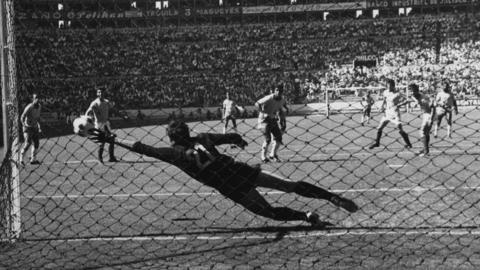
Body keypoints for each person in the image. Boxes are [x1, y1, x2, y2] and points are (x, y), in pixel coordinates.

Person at [88, 120, 359, 226]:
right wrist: (238, 141)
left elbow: (141, 147)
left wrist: (112, 140)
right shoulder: (203, 137)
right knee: (289, 185)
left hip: (230, 186)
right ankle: (331, 198)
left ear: (173, 139)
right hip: (240, 170)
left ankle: (307, 216)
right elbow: (230, 134)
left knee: (268, 212)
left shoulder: (175, 153)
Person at [369, 79, 412, 149]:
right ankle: (377, 143)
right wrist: (382, 107)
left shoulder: (397, 94)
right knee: (379, 128)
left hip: (395, 114)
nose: (388, 87)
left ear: (393, 86)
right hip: (387, 113)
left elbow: (408, 100)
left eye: (390, 86)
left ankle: (409, 144)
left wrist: (399, 105)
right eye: (387, 85)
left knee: (400, 129)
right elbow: (384, 100)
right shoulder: (385, 92)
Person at [255, 83, 289, 162]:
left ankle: (272, 155)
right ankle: (263, 157)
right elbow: (257, 103)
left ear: (282, 92)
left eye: (280, 91)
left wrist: (285, 112)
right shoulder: (269, 98)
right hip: (264, 120)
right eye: (277, 90)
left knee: (278, 138)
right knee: (268, 139)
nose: (278, 92)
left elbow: (283, 107)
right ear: (274, 90)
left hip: (273, 120)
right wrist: (262, 111)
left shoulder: (282, 100)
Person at [85, 89, 117, 163]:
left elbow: (113, 109)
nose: (101, 93)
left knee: (112, 140)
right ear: (97, 93)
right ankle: (100, 158)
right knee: (102, 142)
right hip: (99, 124)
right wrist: (86, 118)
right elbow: (88, 111)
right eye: (99, 92)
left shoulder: (106, 101)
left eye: (102, 92)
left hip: (106, 123)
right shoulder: (94, 103)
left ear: (104, 93)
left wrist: (122, 115)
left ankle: (111, 157)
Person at [409, 83, 436, 156]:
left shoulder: (423, 98)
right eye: (411, 91)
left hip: (429, 115)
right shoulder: (417, 96)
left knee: (422, 132)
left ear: (416, 91)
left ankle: (426, 151)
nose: (412, 93)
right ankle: (425, 150)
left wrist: (431, 118)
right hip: (426, 115)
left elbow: (432, 107)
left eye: (413, 91)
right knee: (426, 133)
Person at [19, 93, 42, 165]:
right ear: (33, 99)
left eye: (38, 98)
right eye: (35, 98)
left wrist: (39, 126)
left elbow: (38, 118)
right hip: (27, 127)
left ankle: (33, 160)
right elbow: (22, 117)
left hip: (34, 127)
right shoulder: (29, 107)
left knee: (36, 144)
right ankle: (21, 159)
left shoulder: (39, 106)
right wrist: (24, 126)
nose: (37, 99)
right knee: (28, 143)